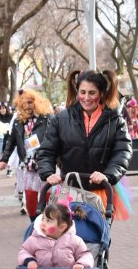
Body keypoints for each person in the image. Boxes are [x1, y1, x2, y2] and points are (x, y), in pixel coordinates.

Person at [37, 70, 132, 220]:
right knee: (67, 237)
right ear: (77, 91)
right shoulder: (61, 119)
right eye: (83, 92)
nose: (86, 98)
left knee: (96, 237)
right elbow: (47, 150)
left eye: (92, 93)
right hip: (69, 190)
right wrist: (48, 173)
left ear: (101, 93)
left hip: (100, 190)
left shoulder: (114, 120)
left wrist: (107, 175)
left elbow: (122, 152)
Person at [0, 89, 53, 222]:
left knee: (47, 196)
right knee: (30, 197)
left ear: (36, 103)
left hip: (45, 162)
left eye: (30, 102)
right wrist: (4, 159)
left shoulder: (47, 118)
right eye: (23, 103)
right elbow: (11, 142)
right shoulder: (18, 121)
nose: (26, 106)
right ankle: (34, 222)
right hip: (27, 164)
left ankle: (48, 221)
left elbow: (59, 138)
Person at [18, 203, 93, 269]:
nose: (43, 223)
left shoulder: (74, 241)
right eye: (43, 219)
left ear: (62, 227)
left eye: (48, 221)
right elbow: (24, 251)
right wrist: (30, 260)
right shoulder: (34, 239)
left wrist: (80, 264)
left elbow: (85, 255)